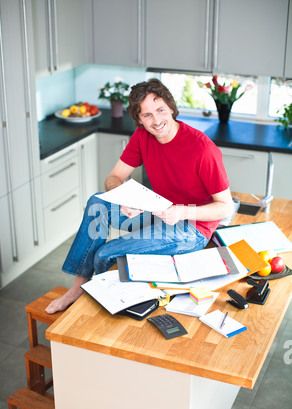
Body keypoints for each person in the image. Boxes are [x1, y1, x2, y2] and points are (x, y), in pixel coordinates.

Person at [46, 78, 233, 314]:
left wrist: (182, 211)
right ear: (139, 119)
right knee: (97, 203)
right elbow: (113, 178)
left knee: (105, 253)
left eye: (160, 110)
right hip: (158, 210)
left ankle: (99, 304)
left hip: (192, 228)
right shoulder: (142, 136)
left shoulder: (202, 149)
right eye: (146, 115)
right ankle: (79, 288)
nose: (156, 121)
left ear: (171, 108)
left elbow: (225, 207)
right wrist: (127, 199)